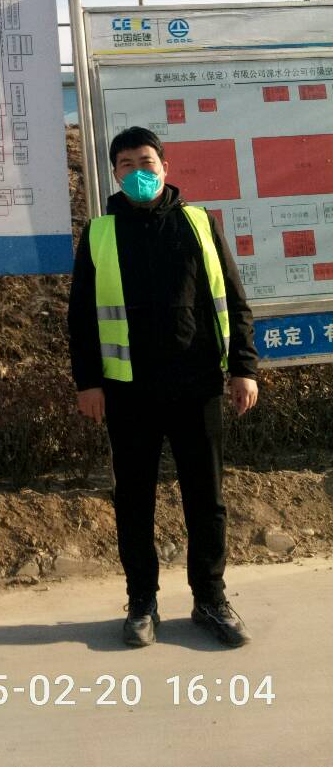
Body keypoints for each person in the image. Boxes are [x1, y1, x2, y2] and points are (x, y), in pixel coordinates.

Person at [68, 125, 259, 648]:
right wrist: (88, 382)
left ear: (165, 167)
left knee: (207, 498)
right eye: (126, 164)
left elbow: (233, 299)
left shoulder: (199, 223)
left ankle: (210, 599)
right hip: (128, 392)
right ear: (115, 174)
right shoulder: (100, 234)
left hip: (197, 386)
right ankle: (141, 602)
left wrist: (243, 368)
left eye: (146, 161)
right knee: (134, 501)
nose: (138, 172)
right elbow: (81, 319)